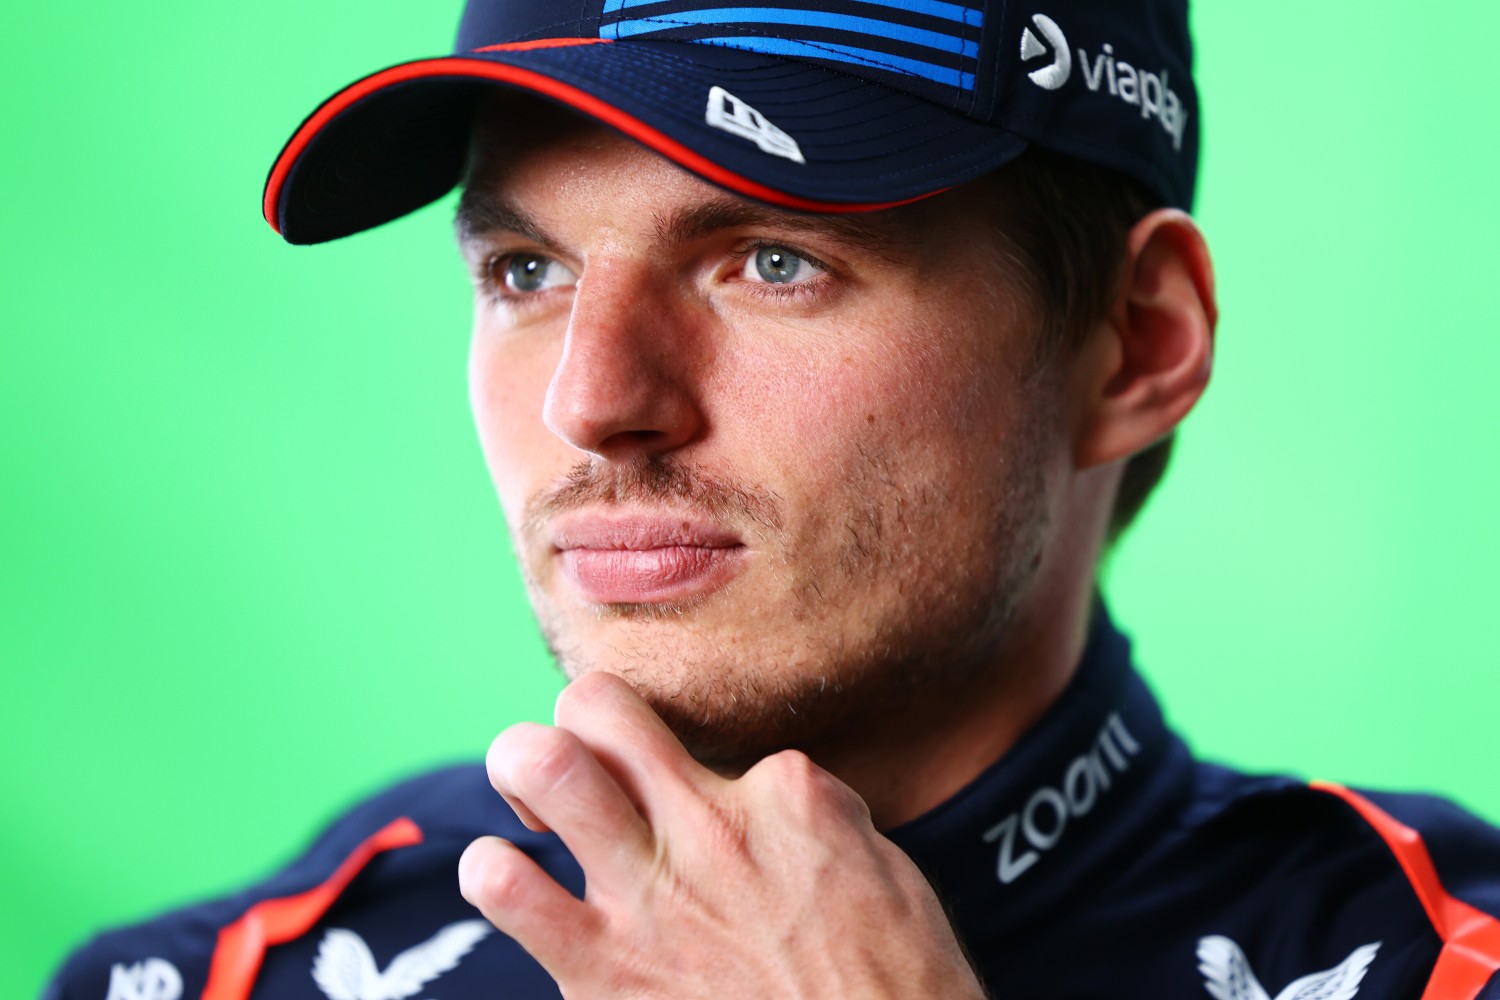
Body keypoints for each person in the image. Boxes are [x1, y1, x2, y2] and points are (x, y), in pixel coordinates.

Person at [45, 0, 1500, 997]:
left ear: (1138, 342)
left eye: (773, 258)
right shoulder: (231, 973)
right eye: (526, 272)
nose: (594, 401)